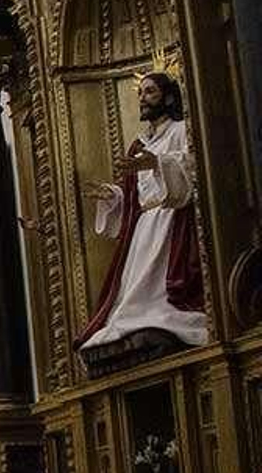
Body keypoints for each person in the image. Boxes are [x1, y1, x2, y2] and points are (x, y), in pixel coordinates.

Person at [77, 73, 207, 357]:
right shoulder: (138, 144)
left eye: (150, 92)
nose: (143, 99)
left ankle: (163, 320)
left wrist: (159, 163)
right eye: (141, 94)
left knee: (157, 295)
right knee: (131, 296)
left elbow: (194, 169)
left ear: (168, 96)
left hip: (171, 221)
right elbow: (135, 194)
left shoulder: (181, 130)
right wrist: (113, 196)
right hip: (144, 226)